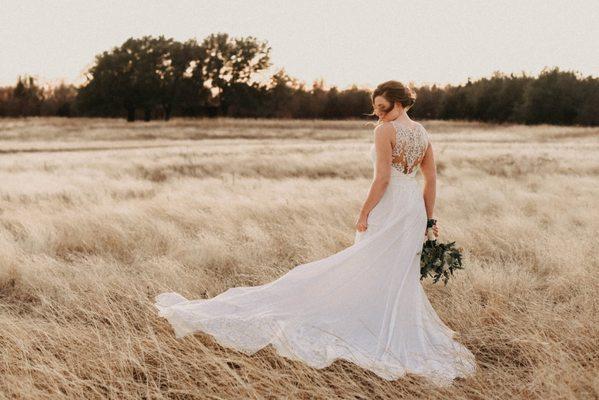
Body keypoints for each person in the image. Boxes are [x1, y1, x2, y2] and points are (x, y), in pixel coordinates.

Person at [154, 80, 477, 386]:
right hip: (412, 209)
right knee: (394, 272)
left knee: (366, 265)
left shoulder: (385, 132)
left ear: (400, 102)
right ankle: (381, 326)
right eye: (376, 109)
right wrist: (429, 218)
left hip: (391, 205)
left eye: (383, 107)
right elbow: (430, 180)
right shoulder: (422, 133)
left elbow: (382, 180)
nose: (377, 114)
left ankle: (364, 325)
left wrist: (364, 212)